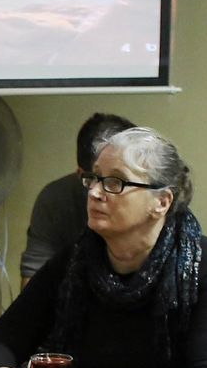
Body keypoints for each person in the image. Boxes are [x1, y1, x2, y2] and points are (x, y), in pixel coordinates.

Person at [0, 127, 207, 368]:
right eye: (94, 178)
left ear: (162, 202)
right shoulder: (77, 260)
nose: (94, 192)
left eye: (115, 182)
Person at [20, 111, 133, 281]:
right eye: (103, 180)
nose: (100, 194)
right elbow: (33, 281)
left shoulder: (152, 197)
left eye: (121, 180)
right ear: (83, 177)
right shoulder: (57, 200)